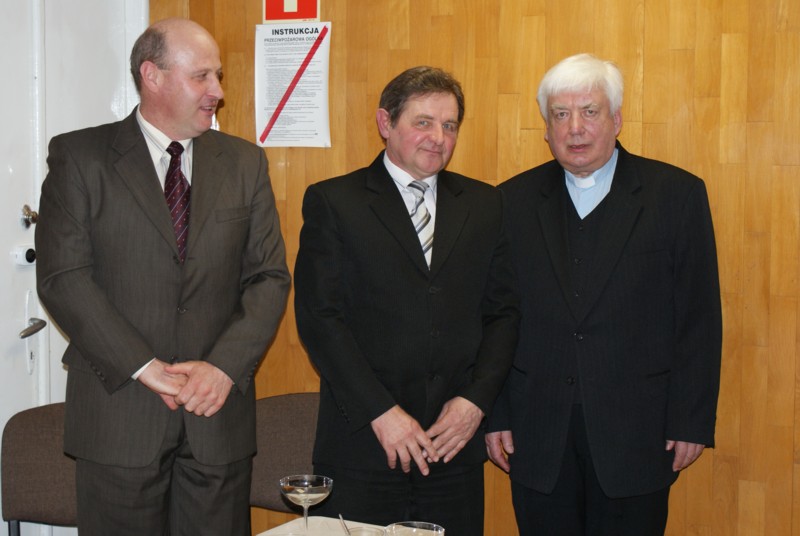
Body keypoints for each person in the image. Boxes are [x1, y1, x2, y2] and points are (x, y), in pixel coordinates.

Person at [35, 18, 290, 536]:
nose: (217, 91)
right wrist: (143, 365)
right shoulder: (80, 157)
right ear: (151, 76)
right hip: (119, 415)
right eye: (201, 76)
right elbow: (64, 277)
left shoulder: (245, 163)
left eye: (218, 76)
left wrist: (223, 368)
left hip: (217, 416)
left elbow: (268, 277)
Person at [485, 53, 723, 536]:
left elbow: (698, 318)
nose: (575, 128)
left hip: (640, 433)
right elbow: (493, 318)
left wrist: (691, 421)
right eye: (560, 114)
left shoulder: (676, 195)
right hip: (537, 432)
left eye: (589, 111)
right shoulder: (509, 201)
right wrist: (496, 414)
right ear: (546, 128)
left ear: (616, 119)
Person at [294, 66, 519, 534]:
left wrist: (476, 401)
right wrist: (381, 412)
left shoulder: (485, 205)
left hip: (452, 448)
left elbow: (503, 313)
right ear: (386, 123)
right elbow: (320, 320)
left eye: (450, 125)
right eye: (423, 122)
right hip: (363, 445)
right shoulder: (335, 202)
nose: (439, 137)